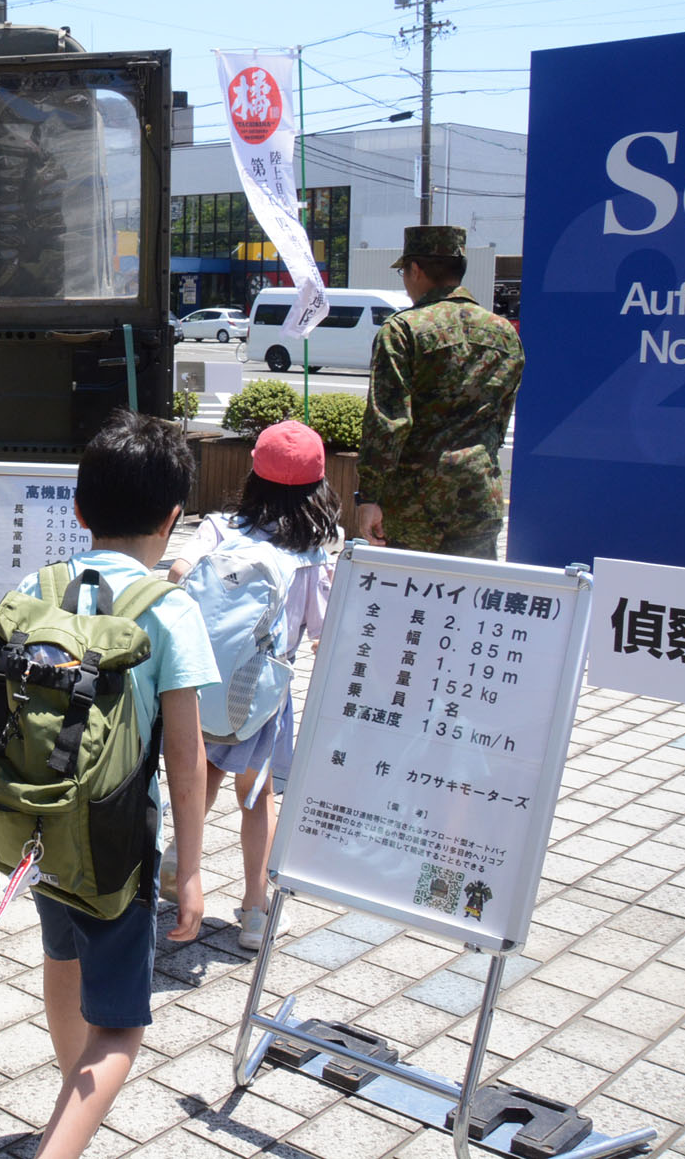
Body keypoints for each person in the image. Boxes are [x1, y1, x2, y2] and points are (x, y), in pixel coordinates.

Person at [0, 409, 212, 1159]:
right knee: (123, 1025)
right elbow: (186, 752)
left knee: (61, 962)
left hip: (36, 828)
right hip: (117, 847)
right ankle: (63, 1143)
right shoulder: (170, 609)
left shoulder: (37, 587)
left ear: (77, 510)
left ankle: (66, 1112)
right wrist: (193, 872)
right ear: (174, 518)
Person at [165, 420, 336, 951]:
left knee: (204, 773)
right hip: (262, 698)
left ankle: (178, 858)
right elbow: (323, 637)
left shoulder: (219, 528)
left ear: (254, 475)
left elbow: (177, 572)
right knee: (257, 799)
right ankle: (255, 912)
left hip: (201, 682)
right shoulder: (311, 559)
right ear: (318, 489)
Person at [357, 224, 524, 558]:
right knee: (470, 600)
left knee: (408, 598)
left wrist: (369, 496)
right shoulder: (504, 333)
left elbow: (388, 421)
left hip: (414, 503)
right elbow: (499, 420)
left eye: (404, 271)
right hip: (478, 496)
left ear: (416, 270)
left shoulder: (403, 330)